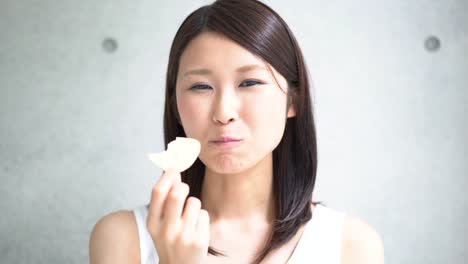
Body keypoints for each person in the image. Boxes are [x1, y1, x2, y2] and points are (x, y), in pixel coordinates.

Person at [89, 0, 385, 263]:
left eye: (250, 83)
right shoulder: (123, 238)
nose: (223, 113)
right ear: (175, 104)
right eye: (201, 87)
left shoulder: (351, 246)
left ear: (293, 99)